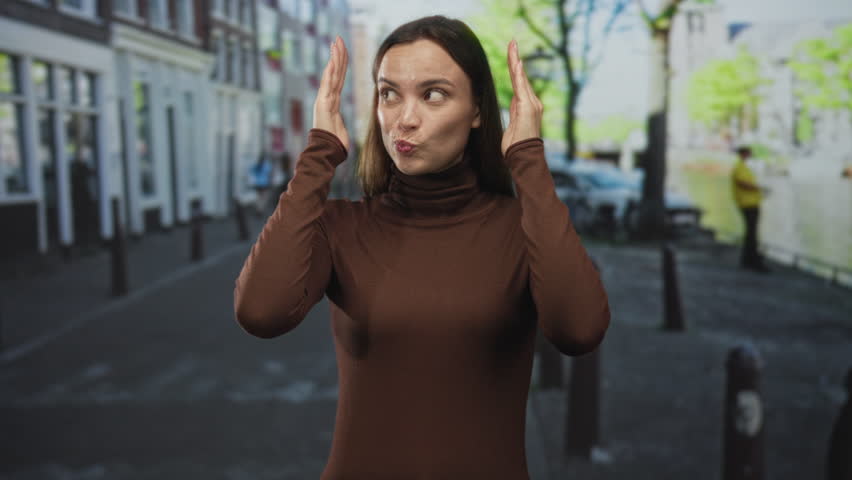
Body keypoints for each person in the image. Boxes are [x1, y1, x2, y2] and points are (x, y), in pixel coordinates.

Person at [233, 16, 610, 479]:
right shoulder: (341, 226)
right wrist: (319, 153)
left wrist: (528, 157)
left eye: (434, 94)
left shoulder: (523, 229)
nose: (404, 119)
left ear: (476, 109)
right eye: (389, 94)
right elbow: (260, 312)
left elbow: (580, 329)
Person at [731, 145, 770, 273]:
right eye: (749, 153)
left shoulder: (743, 167)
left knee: (751, 232)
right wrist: (759, 188)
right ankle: (752, 260)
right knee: (752, 232)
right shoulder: (740, 167)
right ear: (744, 154)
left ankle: (748, 258)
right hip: (747, 204)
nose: (750, 155)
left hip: (751, 203)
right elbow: (742, 183)